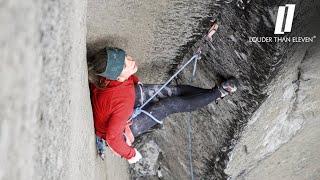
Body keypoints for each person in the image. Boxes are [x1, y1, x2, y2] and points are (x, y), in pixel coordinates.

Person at [88, 47, 238, 164]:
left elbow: (126, 79)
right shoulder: (123, 104)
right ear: (119, 76)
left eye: (127, 56)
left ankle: (214, 92)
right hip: (120, 127)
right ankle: (219, 92)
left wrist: (134, 81)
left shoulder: (113, 78)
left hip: (122, 98)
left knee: (172, 91)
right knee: (169, 105)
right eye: (127, 64)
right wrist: (131, 154)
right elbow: (112, 136)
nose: (131, 60)